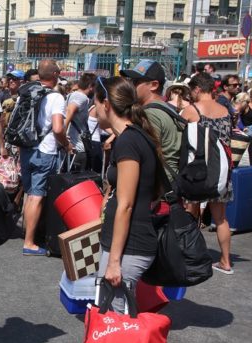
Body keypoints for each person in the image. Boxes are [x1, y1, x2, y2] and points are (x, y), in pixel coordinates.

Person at [93, 76, 160, 314]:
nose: (94, 111)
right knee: (115, 314)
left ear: (107, 104)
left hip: (129, 246)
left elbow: (126, 205)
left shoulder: (129, 142)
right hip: (128, 243)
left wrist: (113, 262)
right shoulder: (134, 136)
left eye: (96, 104)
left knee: (115, 319)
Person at [182, 72, 234, 275]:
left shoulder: (192, 110)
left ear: (196, 89)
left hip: (198, 171)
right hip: (221, 171)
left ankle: (189, 256)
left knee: (190, 212)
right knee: (220, 218)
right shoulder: (225, 111)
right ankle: (226, 261)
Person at [20, 60, 68, 256]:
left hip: (26, 148)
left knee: (30, 192)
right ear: (56, 74)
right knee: (37, 196)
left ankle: (28, 232)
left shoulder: (27, 91)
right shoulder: (56, 97)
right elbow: (57, 128)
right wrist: (65, 143)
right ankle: (29, 242)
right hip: (45, 150)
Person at [122, 60, 182, 178]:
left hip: (160, 186)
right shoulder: (166, 108)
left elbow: (146, 155)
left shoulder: (150, 114)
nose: (130, 85)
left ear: (154, 85)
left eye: (136, 82)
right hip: (168, 182)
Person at [64, 72, 96, 171]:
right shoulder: (81, 97)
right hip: (77, 147)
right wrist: (63, 133)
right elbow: (70, 111)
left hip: (74, 146)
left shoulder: (73, 95)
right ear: (90, 86)